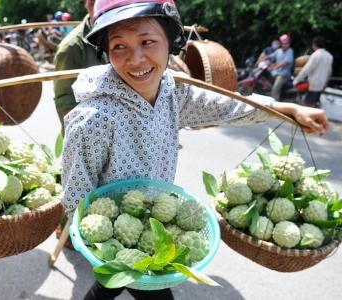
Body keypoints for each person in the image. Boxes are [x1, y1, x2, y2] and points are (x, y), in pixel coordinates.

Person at [62, 1, 329, 299]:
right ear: (105, 51)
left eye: (147, 42)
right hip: (116, 231)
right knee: (124, 284)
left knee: (113, 286)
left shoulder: (173, 94)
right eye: (118, 46)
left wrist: (284, 107)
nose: (136, 59)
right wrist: (97, 240)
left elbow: (227, 107)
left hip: (156, 219)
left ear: (171, 43)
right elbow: (76, 190)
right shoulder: (93, 118)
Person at [53, 0, 107, 131]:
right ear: (86, 4)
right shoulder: (70, 48)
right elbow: (66, 104)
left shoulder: (127, 36)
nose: (99, 7)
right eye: (93, 2)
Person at [293, 36, 333, 108]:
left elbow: (306, 69)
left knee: (308, 105)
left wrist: (296, 80)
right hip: (321, 85)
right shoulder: (329, 56)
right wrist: (325, 84)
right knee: (313, 104)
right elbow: (329, 72)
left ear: (314, 45)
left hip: (313, 84)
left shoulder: (315, 55)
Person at [267, 34, 294, 101]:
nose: (286, 45)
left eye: (287, 43)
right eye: (284, 43)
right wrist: (263, 59)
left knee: (275, 89)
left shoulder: (290, 51)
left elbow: (285, 62)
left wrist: (275, 67)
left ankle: (275, 106)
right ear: (281, 44)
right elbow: (270, 56)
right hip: (277, 73)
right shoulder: (278, 51)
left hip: (284, 74)